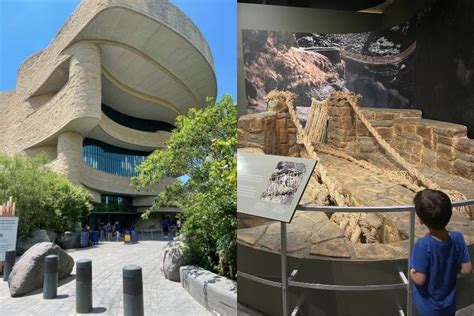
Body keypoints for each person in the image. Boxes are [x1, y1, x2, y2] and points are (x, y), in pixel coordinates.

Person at [409, 189, 472, 316]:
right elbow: (466, 269)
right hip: (449, 304)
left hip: (427, 307)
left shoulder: (423, 245)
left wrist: (411, 272)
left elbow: (420, 279)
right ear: (449, 214)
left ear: (421, 220)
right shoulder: (457, 238)